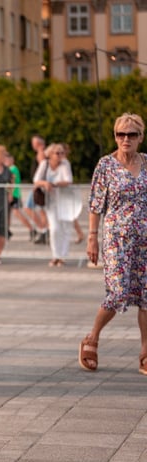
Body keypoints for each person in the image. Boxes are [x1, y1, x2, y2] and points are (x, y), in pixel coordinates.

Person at [79, 113, 147, 376]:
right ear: (115, 136)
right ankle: (92, 338)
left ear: (140, 137)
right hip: (116, 240)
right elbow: (95, 204)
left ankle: (144, 351)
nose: (125, 139)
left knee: (145, 297)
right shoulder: (106, 165)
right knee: (117, 293)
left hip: (144, 241)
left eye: (131, 134)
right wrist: (92, 237)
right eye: (121, 134)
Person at [33, 143, 77, 267]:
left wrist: (55, 184)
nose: (60, 155)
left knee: (65, 228)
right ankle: (55, 255)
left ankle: (62, 256)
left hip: (65, 200)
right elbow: (36, 180)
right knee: (54, 228)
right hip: (50, 201)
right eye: (57, 153)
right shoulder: (44, 164)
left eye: (62, 153)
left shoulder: (65, 164)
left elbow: (68, 180)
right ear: (50, 154)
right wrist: (45, 183)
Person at [28, 134, 50, 244]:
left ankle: (44, 230)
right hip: (37, 185)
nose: (33, 145)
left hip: (38, 186)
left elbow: (42, 168)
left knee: (38, 209)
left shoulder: (41, 153)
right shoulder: (41, 153)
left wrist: (37, 184)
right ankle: (44, 230)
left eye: (34, 143)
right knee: (39, 209)